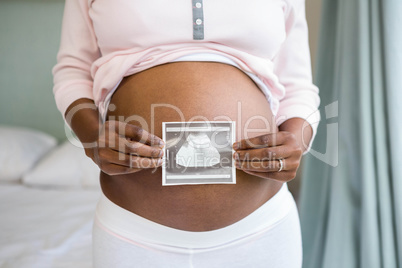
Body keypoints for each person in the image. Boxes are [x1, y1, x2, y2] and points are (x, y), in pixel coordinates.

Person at [52, 0, 320, 267]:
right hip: (134, 232)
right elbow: (72, 72)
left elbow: (297, 87)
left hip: (261, 227)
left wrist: (297, 139)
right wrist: (91, 138)